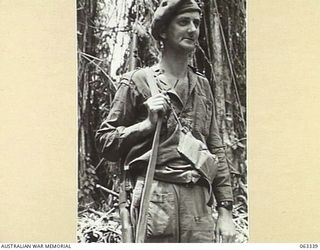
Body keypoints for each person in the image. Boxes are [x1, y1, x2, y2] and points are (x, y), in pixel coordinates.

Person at [96, 0, 236, 243]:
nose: (193, 29)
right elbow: (105, 143)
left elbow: (217, 149)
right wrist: (146, 126)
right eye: (183, 22)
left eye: (196, 23)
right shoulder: (137, 81)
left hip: (199, 207)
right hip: (155, 200)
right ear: (162, 31)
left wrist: (225, 211)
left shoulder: (202, 85)